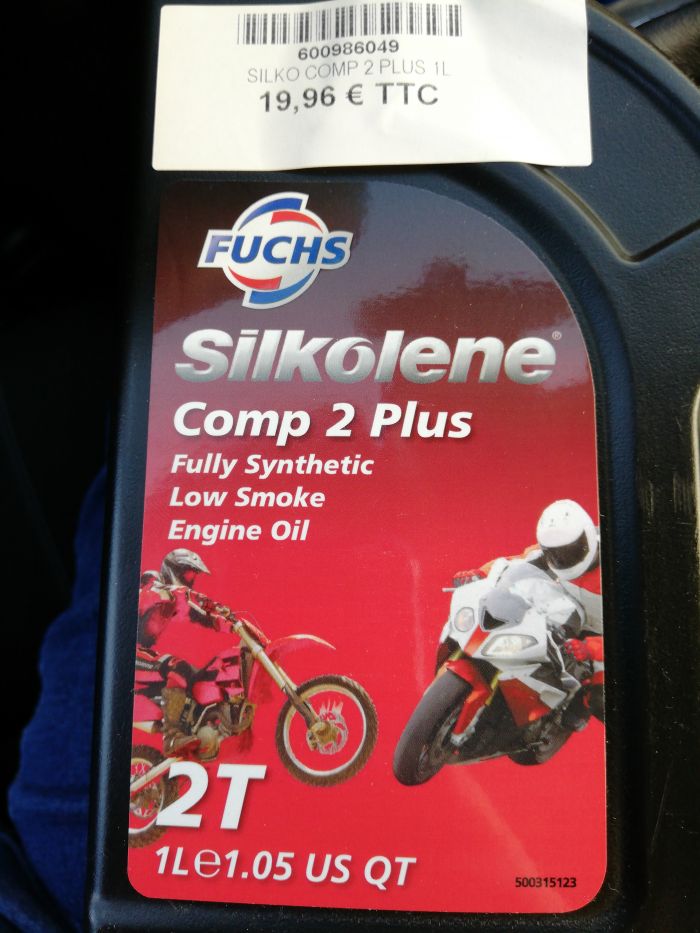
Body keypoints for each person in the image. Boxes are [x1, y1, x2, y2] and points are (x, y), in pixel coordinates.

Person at [454, 500, 604, 723]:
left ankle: (573, 711)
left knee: (599, 700)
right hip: (563, 616)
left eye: (573, 551)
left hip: (602, 638)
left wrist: (592, 648)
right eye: (557, 554)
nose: (564, 559)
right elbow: (515, 563)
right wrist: (480, 573)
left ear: (589, 536)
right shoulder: (548, 553)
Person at [136, 549, 265, 754]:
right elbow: (173, 594)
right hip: (131, 656)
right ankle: (171, 737)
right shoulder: (152, 586)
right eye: (187, 574)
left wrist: (233, 624)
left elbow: (206, 618)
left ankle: (197, 726)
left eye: (193, 577)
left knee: (199, 677)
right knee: (177, 666)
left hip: (145, 658)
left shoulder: (173, 601)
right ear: (173, 570)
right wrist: (208, 602)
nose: (190, 581)